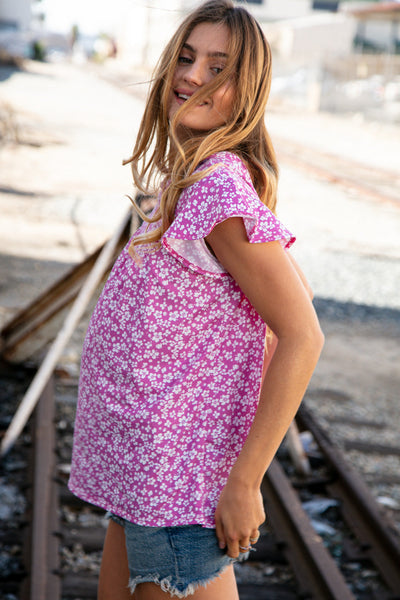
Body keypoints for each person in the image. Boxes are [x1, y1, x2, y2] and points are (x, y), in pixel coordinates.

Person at [68, 1, 324, 598]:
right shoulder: (191, 177)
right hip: (143, 473)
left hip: (178, 491)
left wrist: (245, 479)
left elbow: (302, 331)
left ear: (248, 89)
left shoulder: (216, 188)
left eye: (218, 67)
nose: (192, 76)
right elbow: (294, 291)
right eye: (186, 58)